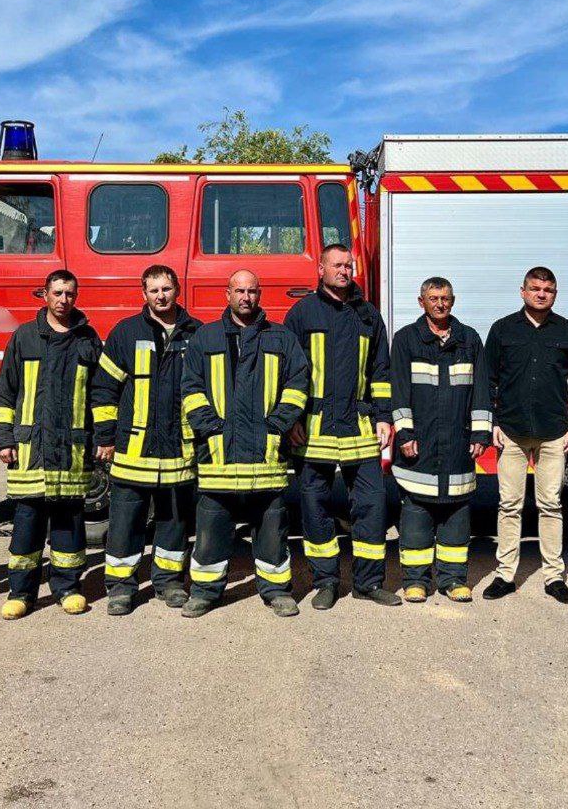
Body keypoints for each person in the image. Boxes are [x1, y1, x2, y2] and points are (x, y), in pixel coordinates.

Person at [180, 270, 309, 618]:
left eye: (252, 291)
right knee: (209, 535)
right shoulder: (204, 338)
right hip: (218, 461)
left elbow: (298, 384)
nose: (246, 297)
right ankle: (205, 593)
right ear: (227, 294)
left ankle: (276, 590)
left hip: (266, 460)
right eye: (240, 291)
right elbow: (191, 389)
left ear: (260, 294)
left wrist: (277, 425)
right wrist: (211, 429)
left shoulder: (281, 338)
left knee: (272, 533)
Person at [284, 243, 398, 609]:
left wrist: (383, 416)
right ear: (321, 269)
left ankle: (368, 583)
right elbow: (287, 372)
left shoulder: (368, 316)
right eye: (337, 265)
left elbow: (381, 371)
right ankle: (326, 582)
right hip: (313, 429)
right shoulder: (302, 313)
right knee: (314, 506)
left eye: (348, 265)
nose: (344, 271)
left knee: (370, 505)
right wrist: (290, 420)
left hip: (359, 427)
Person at [0, 270, 102, 619]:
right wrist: (2, 439)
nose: (63, 299)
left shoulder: (87, 338)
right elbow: (5, 392)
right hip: (30, 450)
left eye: (69, 293)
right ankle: (21, 592)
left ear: (76, 295)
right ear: (45, 295)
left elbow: (99, 395)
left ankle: (68, 587)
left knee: (69, 525)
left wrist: (103, 440)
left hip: (71, 450)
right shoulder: (24, 337)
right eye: (57, 293)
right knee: (27, 525)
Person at [90, 265, 202, 616]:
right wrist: (105, 436)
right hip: (132, 450)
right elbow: (104, 389)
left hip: (178, 449)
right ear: (144, 294)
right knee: (125, 522)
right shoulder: (126, 333)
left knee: (174, 522)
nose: (161, 296)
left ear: (177, 289)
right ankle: (121, 588)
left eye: (166, 288)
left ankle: (168, 583)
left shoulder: (197, 334)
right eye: (153, 290)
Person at [482, 266, 568, 604]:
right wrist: (493, 423)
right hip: (512, 432)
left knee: (550, 505)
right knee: (509, 505)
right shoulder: (502, 330)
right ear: (523, 291)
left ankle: (554, 577)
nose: (541, 293)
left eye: (548, 289)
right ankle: (504, 574)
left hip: (553, 433)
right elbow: (487, 380)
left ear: (554, 294)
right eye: (535, 288)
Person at [390, 278, 492, 603]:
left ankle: (452, 580)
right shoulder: (407, 339)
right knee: (417, 516)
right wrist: (404, 433)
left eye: (445, 298)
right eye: (433, 298)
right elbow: (398, 389)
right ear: (421, 301)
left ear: (453, 301)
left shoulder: (469, 340)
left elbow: (481, 391)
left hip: (458, 445)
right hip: (418, 446)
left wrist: (480, 433)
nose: (440, 304)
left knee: (457, 518)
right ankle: (416, 581)